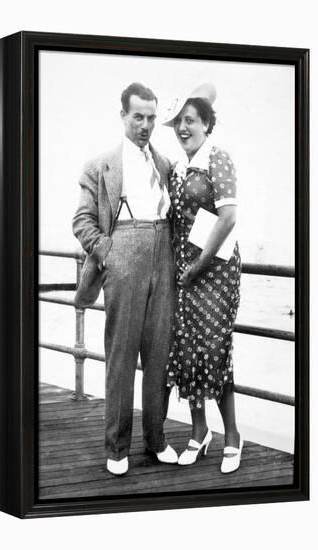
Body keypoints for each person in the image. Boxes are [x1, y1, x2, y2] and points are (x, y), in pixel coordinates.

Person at [72, 82, 178, 476]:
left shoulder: (164, 165)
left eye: (151, 118)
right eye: (138, 117)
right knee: (121, 356)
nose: (146, 125)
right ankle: (116, 446)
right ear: (123, 117)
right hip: (124, 255)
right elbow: (81, 221)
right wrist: (109, 252)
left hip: (162, 253)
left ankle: (156, 439)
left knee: (159, 355)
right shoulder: (100, 166)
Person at [163, 83, 243, 474]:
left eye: (190, 120)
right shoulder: (177, 167)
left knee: (214, 349)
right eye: (178, 121)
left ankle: (232, 435)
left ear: (207, 124)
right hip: (185, 271)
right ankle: (199, 431)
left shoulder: (218, 158)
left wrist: (199, 265)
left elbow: (228, 218)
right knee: (186, 348)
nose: (183, 127)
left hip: (216, 271)